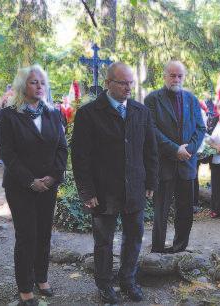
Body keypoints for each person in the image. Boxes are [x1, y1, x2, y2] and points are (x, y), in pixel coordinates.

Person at [71, 62, 158, 304]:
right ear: (108, 83)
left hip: (135, 188)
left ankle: (128, 280)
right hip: (103, 191)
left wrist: (151, 180)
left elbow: (150, 150)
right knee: (104, 242)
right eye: (123, 83)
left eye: (131, 82)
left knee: (134, 237)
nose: (128, 87)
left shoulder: (141, 112)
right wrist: (87, 191)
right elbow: (80, 157)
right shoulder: (89, 113)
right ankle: (104, 284)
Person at [0, 65, 67, 306]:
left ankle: (41, 278)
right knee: (27, 235)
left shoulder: (53, 113)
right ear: (22, 86)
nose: (39, 86)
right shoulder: (9, 114)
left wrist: (52, 177)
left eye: (42, 83)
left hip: (48, 185)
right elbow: (8, 153)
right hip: (20, 186)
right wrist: (30, 181)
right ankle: (25, 287)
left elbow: (61, 147)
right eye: (33, 82)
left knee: (44, 233)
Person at [144, 60, 205, 254]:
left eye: (180, 76)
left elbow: (200, 128)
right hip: (163, 165)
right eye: (172, 75)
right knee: (160, 211)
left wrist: (189, 150)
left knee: (185, 211)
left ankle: (179, 248)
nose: (176, 79)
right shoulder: (152, 99)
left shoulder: (191, 99)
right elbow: (151, 129)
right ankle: (158, 249)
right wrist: (174, 150)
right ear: (164, 76)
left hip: (187, 164)